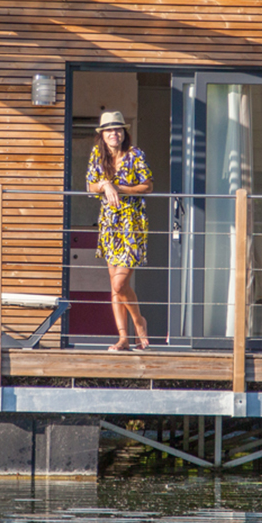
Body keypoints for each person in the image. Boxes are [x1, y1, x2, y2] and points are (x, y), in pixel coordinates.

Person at [85, 110, 153, 351]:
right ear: (102, 135)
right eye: (109, 130)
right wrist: (104, 184)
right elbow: (90, 185)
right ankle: (123, 338)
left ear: (124, 133)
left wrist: (119, 188)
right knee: (114, 284)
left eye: (118, 129)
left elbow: (147, 186)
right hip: (109, 225)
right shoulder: (97, 155)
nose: (114, 133)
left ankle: (139, 322)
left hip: (132, 224)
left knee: (119, 284)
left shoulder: (135, 155)